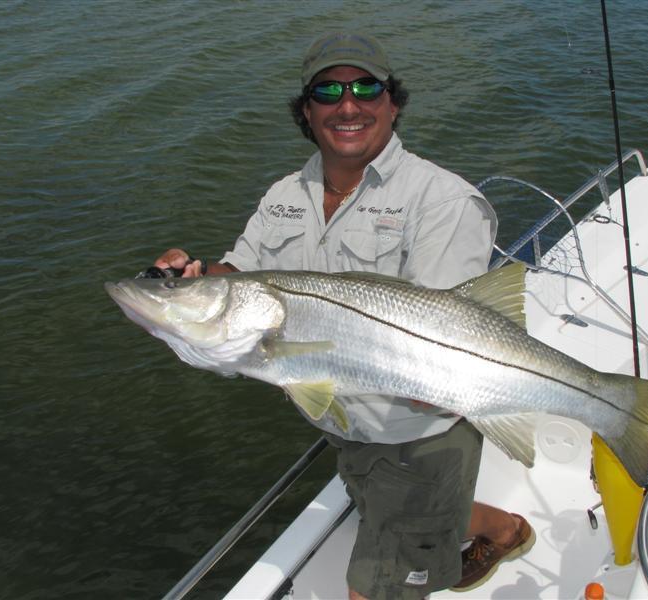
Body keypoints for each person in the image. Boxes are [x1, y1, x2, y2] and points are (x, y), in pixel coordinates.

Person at [155, 32, 534, 600]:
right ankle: (504, 530)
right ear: (307, 111)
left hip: (418, 436)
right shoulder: (285, 193)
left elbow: (448, 335)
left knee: (376, 584)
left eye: (366, 88)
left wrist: (457, 386)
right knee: (385, 503)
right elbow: (242, 276)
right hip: (342, 424)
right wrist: (193, 277)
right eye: (328, 90)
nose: (348, 105)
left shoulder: (443, 201)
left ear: (392, 102)